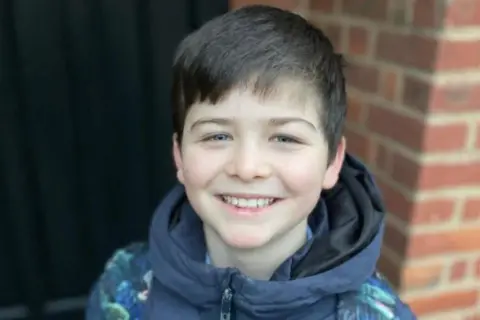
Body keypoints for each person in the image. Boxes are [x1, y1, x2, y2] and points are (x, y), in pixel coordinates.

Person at [86, 5, 416, 319]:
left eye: (285, 139)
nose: (246, 168)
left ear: (332, 163)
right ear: (179, 156)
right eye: (217, 136)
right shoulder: (122, 286)